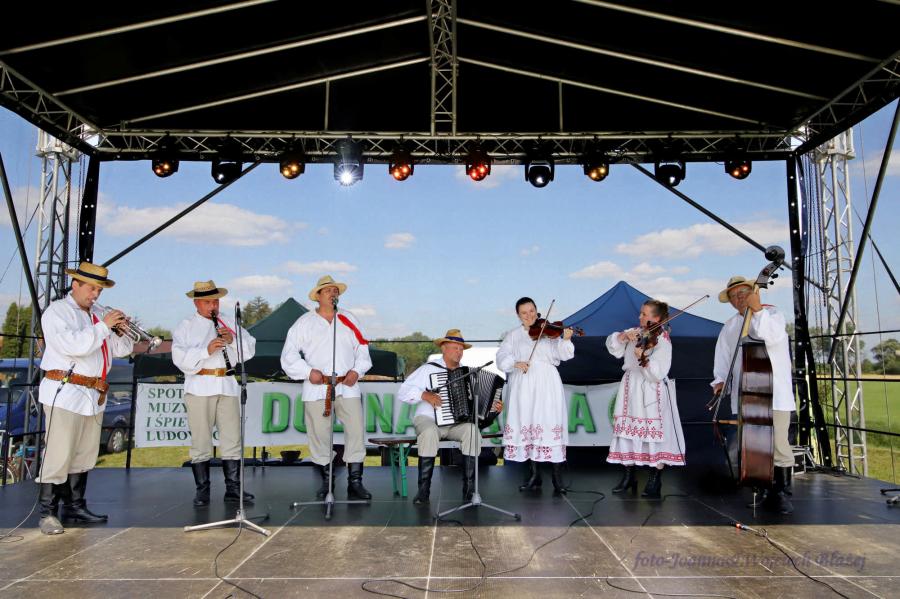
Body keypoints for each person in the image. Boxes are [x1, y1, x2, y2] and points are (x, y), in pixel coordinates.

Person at [36, 261, 134, 535]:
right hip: (65, 391)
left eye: (99, 290)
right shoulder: (58, 312)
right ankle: (47, 513)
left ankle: (75, 506)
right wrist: (104, 326)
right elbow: (74, 346)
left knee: (84, 453)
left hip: (93, 393)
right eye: (91, 288)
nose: (95, 295)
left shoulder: (97, 316)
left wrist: (121, 332)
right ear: (75, 284)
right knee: (59, 452)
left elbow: (121, 350)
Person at [281, 275, 373, 500]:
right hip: (317, 387)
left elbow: (363, 350)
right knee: (319, 434)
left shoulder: (349, 319)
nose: (333, 293)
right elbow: (288, 355)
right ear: (318, 296)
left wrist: (356, 371)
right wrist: (307, 372)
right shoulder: (304, 322)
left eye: (335, 291)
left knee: (355, 431)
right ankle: (327, 481)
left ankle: (355, 482)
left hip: (347, 386)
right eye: (328, 290)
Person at [711, 276, 794, 514]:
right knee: (753, 447)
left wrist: (757, 310)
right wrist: (720, 381)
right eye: (734, 296)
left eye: (743, 293)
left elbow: (771, 337)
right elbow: (723, 357)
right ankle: (763, 490)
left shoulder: (772, 314)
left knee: (778, 444)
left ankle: (781, 493)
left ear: (754, 293)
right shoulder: (730, 326)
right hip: (746, 395)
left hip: (775, 393)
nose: (739, 298)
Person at [172, 280, 256, 507]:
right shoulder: (185, 326)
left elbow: (250, 348)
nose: (213, 306)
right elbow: (179, 358)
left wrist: (232, 340)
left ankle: (233, 489)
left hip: (226, 384)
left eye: (216, 302)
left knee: (232, 438)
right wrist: (206, 350)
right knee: (201, 440)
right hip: (199, 386)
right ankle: (202, 491)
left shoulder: (228, 321)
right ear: (196, 303)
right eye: (208, 302)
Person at [398, 329, 502, 505]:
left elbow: (478, 409)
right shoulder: (428, 369)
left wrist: (493, 408)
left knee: (472, 431)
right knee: (429, 432)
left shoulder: (467, 374)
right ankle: (423, 491)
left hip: (456, 424)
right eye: (455, 348)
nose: (459, 352)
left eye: (461, 349)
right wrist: (425, 395)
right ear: (444, 348)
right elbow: (403, 391)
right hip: (428, 419)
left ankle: (469, 490)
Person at [606, 299, 684, 499]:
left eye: (644, 314)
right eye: (640, 313)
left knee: (653, 435)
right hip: (631, 386)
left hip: (651, 390)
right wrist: (623, 337)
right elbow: (613, 346)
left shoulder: (663, 340)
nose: (639, 317)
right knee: (627, 432)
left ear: (656, 318)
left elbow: (658, 373)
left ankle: (654, 480)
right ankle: (629, 476)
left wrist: (644, 358)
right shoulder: (635, 332)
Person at [497, 297, 574, 494]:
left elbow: (565, 355)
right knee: (528, 424)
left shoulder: (549, 332)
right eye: (524, 313)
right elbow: (501, 358)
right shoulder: (513, 336)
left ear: (537, 310)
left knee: (549, 423)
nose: (529, 315)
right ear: (518, 315)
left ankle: (557, 478)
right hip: (523, 385)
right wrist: (515, 363)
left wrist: (566, 339)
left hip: (547, 384)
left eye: (531, 311)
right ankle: (534, 475)